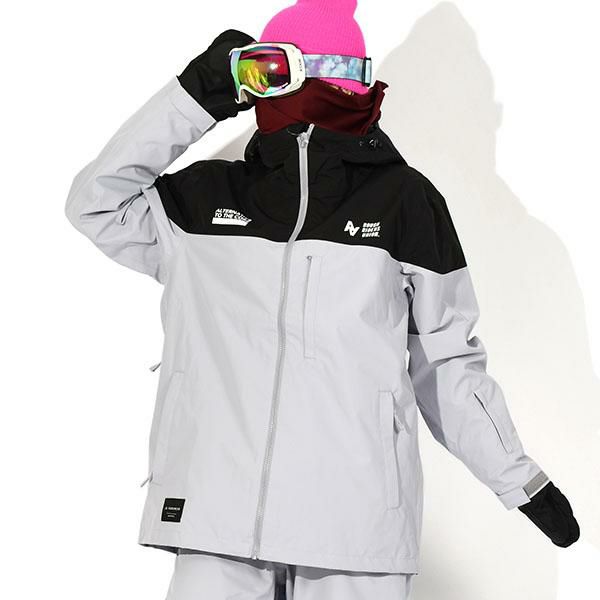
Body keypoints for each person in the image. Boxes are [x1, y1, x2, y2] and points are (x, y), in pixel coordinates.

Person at [65, 1, 579, 598]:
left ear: (333, 77)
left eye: (271, 70)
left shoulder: (404, 203)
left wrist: (521, 481)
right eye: (251, 72)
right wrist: (195, 96)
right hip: (216, 517)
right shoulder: (202, 200)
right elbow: (95, 202)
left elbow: (446, 365)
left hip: (353, 531)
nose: (260, 86)